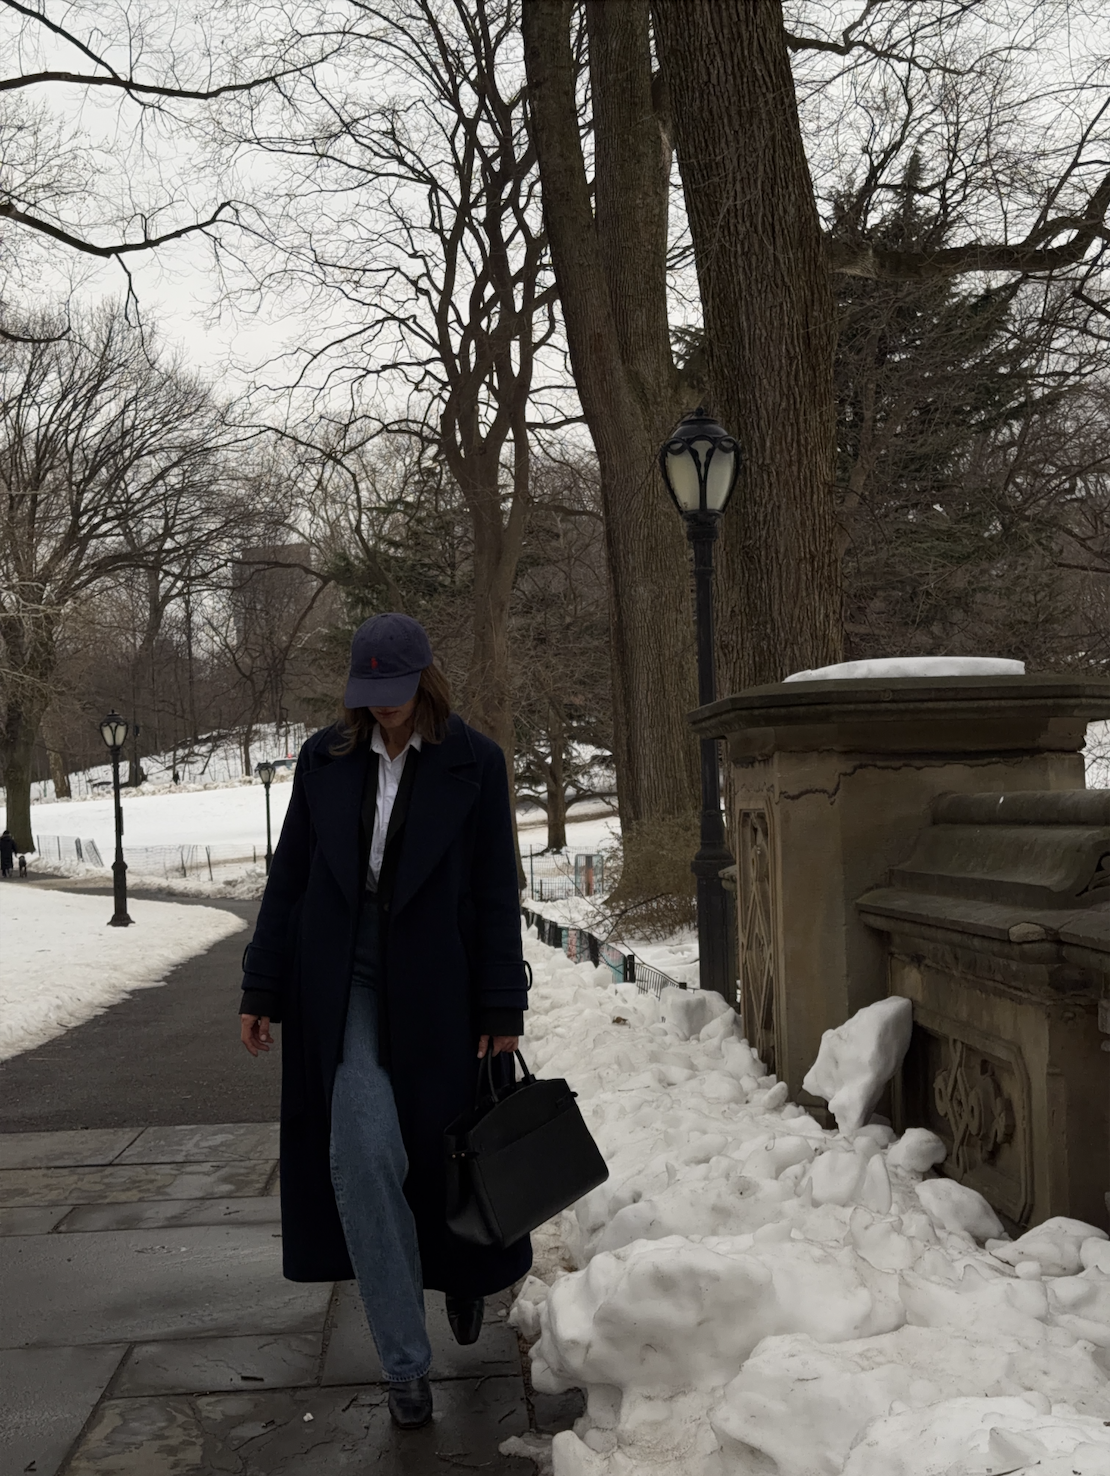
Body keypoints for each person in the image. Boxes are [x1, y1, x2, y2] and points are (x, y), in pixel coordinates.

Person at [238, 613, 530, 1431]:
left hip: (441, 977)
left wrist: (501, 1002)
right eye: (368, 691)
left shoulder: (476, 762)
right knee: (363, 1151)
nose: (383, 705)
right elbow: (291, 877)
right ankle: (404, 1362)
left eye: (395, 690)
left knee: (444, 1150)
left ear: (424, 679)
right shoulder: (324, 758)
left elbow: (495, 888)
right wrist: (261, 986)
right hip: (344, 975)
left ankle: (464, 1276)